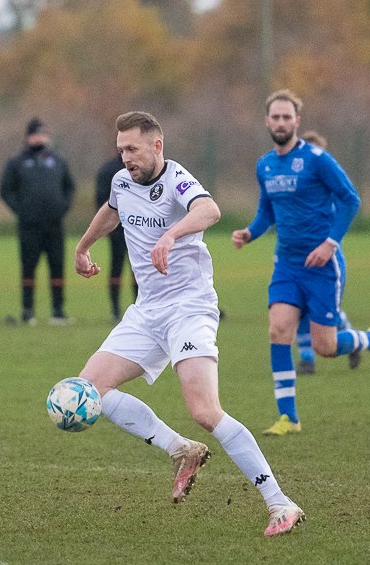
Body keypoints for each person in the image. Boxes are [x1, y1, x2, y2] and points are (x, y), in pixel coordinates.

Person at [74, 111, 304, 537]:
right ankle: (180, 450)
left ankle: (280, 502)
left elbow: (210, 210)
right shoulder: (122, 181)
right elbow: (112, 209)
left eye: (133, 149)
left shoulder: (177, 179)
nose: (125, 157)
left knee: (204, 410)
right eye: (121, 149)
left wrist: (171, 235)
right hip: (146, 311)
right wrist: (84, 245)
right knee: (88, 390)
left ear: (156, 146)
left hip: (189, 308)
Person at [232, 89, 370, 437]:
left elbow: (350, 200)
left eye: (286, 117)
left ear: (297, 121)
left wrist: (329, 243)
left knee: (326, 347)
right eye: (275, 117)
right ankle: (289, 417)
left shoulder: (318, 159)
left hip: (323, 266)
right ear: (267, 121)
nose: (280, 122)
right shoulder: (265, 165)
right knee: (278, 330)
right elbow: (267, 212)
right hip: (287, 265)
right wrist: (250, 232)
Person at [293, 130, 360, 374]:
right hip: (295, 257)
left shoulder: (327, 185)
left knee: (321, 311)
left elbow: (348, 204)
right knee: (298, 307)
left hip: (323, 256)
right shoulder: (292, 182)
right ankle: (307, 359)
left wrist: (330, 241)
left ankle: (353, 339)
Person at [0, 118, 76, 325]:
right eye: (35, 135)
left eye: (42, 134)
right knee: (28, 267)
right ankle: (27, 311)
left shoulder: (58, 161)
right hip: (29, 226)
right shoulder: (17, 162)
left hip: (54, 225)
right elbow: (6, 190)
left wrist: (62, 206)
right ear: (27, 138)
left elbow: (69, 187)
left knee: (57, 267)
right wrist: (22, 210)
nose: (39, 138)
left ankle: (58, 311)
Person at [95, 152, 137, 323]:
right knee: (116, 268)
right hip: (117, 231)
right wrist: (105, 226)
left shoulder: (143, 169)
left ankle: (140, 307)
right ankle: (115, 309)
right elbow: (101, 200)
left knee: (140, 269)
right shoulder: (109, 170)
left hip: (141, 230)